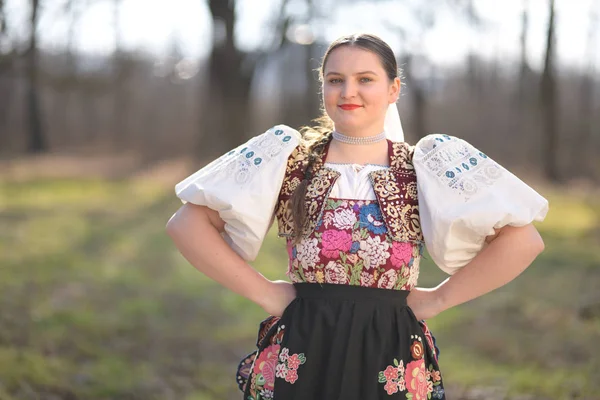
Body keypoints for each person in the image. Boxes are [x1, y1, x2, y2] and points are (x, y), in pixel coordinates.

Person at [166, 33, 548, 400]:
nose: (348, 92)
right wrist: (265, 292)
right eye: (335, 80)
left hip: (390, 351)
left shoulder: (425, 167)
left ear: (393, 89)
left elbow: (523, 240)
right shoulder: (290, 162)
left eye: (365, 79)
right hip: (303, 345)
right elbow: (187, 225)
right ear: (323, 89)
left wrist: (439, 299)